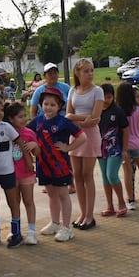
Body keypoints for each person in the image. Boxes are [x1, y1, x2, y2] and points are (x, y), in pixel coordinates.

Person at [27, 87, 87, 242]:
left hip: (60, 167)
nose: (48, 107)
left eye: (52, 105)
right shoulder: (38, 121)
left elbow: (82, 137)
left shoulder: (63, 122)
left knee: (62, 194)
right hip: (43, 165)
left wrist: (68, 148)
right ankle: (55, 223)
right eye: (46, 104)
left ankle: (67, 228)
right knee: (51, 194)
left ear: (59, 106)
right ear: (41, 104)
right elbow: (25, 133)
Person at [0, 97, 29, 248]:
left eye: (2, 110)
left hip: (8, 172)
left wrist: (28, 161)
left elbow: (21, 143)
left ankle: (16, 233)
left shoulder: (7, 127)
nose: (0, 113)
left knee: (12, 202)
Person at [65, 58, 103, 230]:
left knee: (87, 175)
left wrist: (76, 118)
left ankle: (90, 215)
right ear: (78, 73)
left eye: (91, 70)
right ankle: (82, 212)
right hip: (75, 136)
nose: (90, 74)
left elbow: (94, 119)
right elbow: (68, 115)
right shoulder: (73, 90)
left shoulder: (98, 91)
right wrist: (81, 119)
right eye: (86, 71)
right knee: (77, 175)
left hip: (90, 137)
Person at [3, 101, 38, 245]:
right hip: (11, 174)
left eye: (25, 116)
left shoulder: (29, 133)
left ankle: (31, 231)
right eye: (20, 117)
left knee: (28, 201)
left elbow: (37, 153)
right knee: (14, 202)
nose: (24, 119)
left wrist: (34, 145)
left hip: (26, 173)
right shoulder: (5, 133)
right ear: (10, 119)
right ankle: (15, 229)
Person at [97, 83, 129, 218]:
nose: (106, 100)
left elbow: (125, 130)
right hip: (100, 148)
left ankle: (121, 203)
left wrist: (124, 150)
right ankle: (110, 206)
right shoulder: (96, 110)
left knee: (112, 175)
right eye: (103, 97)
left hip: (115, 148)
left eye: (109, 97)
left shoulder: (118, 111)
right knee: (105, 177)